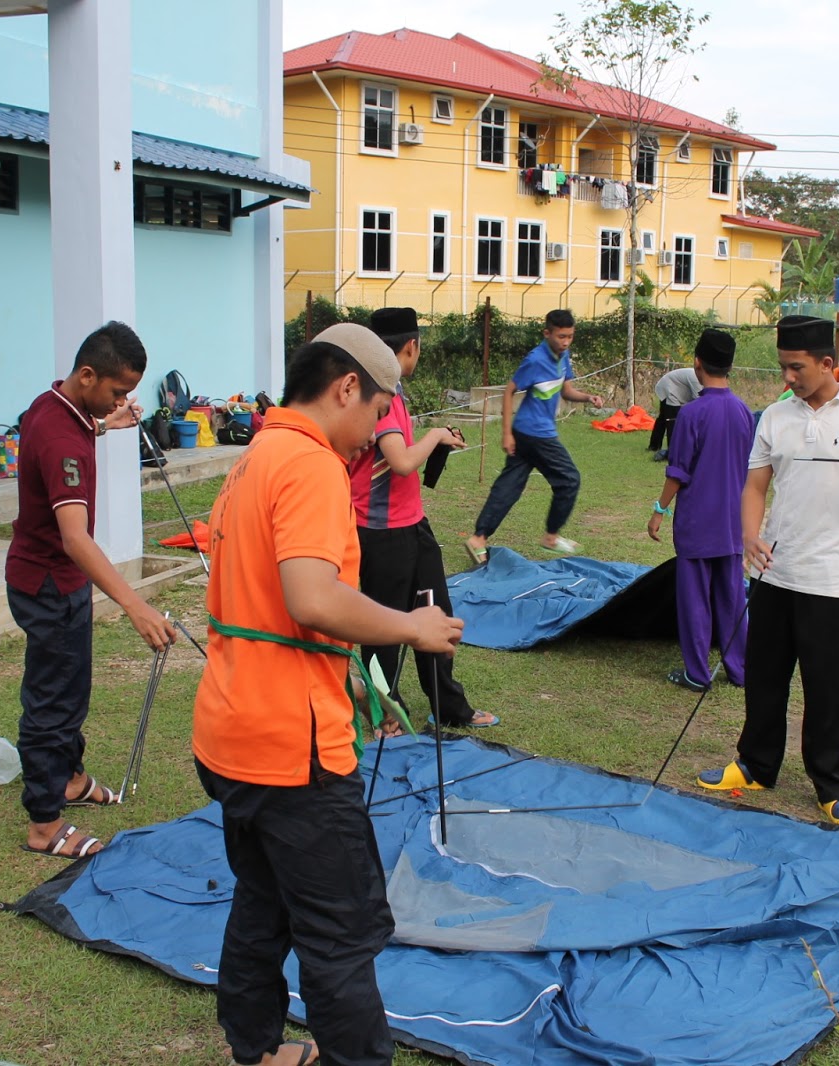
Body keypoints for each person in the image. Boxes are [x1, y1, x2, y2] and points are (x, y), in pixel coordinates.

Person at [193, 322, 464, 1066]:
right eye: (378, 414)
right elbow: (311, 598)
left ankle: (255, 1050)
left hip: (230, 729)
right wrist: (411, 626)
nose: (377, 433)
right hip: (291, 747)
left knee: (262, 900)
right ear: (347, 387)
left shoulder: (256, 457)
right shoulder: (309, 466)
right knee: (341, 933)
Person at [696, 315, 839, 828]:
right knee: (765, 676)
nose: (788, 376)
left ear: (826, 363)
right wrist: (750, 536)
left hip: (831, 577)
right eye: (782, 367)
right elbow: (755, 487)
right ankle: (754, 765)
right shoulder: (774, 415)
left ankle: (832, 785)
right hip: (775, 571)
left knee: (827, 685)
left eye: (797, 367)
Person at [5, 321, 176, 859]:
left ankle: (70, 779)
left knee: (72, 686)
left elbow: (68, 435)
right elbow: (75, 538)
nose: (123, 401)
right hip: (49, 582)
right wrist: (135, 604)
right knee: (52, 701)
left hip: (57, 580)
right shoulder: (62, 439)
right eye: (117, 392)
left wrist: (107, 424)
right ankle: (44, 824)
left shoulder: (56, 406)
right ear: (87, 375)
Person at [349, 307, 498, 728]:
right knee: (383, 627)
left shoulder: (392, 390)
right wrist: (434, 436)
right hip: (381, 533)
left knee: (437, 615)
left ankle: (449, 707)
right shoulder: (382, 393)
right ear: (411, 346)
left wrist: (436, 444)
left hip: (413, 524)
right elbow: (398, 461)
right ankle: (384, 712)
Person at [647, 329, 754, 692]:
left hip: (696, 524)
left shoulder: (691, 414)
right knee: (732, 597)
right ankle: (740, 669)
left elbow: (678, 471)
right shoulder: (743, 412)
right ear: (730, 365)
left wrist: (659, 508)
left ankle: (697, 673)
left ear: (696, 363)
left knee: (695, 600)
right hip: (732, 524)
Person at [465, 309, 604, 564]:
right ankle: (550, 537)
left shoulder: (563, 356)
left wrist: (587, 397)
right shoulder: (535, 360)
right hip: (536, 434)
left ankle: (478, 539)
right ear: (547, 333)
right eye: (561, 336)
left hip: (530, 434)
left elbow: (566, 390)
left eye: (570, 336)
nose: (565, 341)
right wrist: (506, 433)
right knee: (569, 479)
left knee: (509, 487)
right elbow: (509, 391)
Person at [649, 365, 703, 460]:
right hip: (668, 388)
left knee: (663, 418)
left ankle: (654, 446)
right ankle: (672, 452)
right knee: (672, 420)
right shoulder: (697, 379)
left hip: (674, 388)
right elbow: (699, 401)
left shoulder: (702, 377)